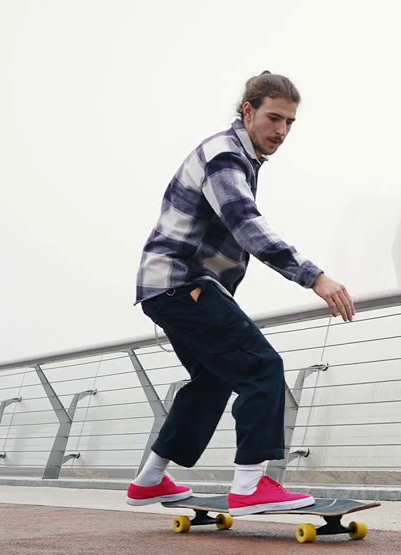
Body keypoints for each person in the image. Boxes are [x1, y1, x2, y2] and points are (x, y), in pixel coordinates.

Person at [127, 72, 356, 512]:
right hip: (182, 285)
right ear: (248, 111)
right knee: (262, 367)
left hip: (168, 288)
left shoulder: (240, 158)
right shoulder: (225, 156)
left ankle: (149, 480)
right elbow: (246, 225)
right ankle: (250, 485)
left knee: (213, 380)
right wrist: (315, 277)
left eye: (290, 122)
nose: (282, 131)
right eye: (274, 118)